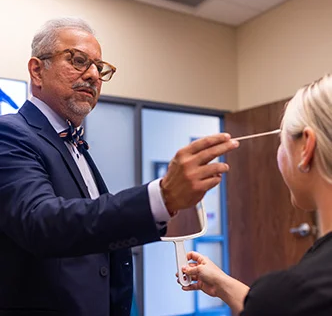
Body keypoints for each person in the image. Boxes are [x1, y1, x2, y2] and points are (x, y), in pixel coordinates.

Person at [0, 17, 239, 316]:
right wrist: (160, 197)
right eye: (77, 60)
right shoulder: (9, 133)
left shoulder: (75, 145)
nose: (92, 76)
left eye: (99, 68)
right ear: (37, 70)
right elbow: (41, 222)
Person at [180, 74, 332, 316]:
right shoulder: (294, 296)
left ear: (306, 148)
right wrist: (222, 284)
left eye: (281, 142)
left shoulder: (297, 291)